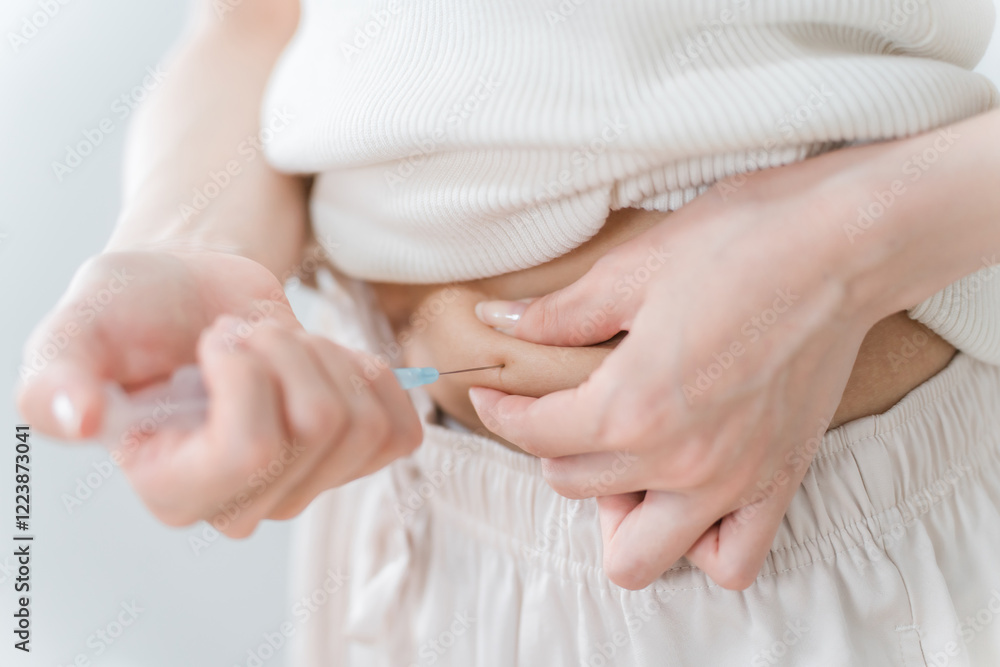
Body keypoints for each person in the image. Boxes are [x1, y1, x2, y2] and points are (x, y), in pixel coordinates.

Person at [19, 0, 1000, 664]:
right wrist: (189, 249)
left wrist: (844, 249)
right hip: (415, 533)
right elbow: (257, 20)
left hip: (825, 546)